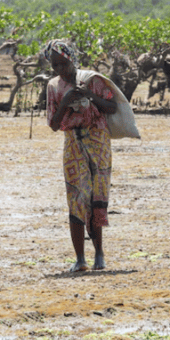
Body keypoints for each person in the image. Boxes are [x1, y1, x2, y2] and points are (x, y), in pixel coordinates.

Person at [44, 39, 118, 272]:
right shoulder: (53, 87)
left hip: (98, 141)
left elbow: (112, 107)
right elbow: (54, 124)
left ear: (71, 59)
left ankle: (99, 255)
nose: (59, 70)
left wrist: (90, 96)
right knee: (76, 198)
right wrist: (65, 103)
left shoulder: (91, 80)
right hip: (73, 144)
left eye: (62, 64)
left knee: (96, 198)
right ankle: (79, 259)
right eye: (54, 66)